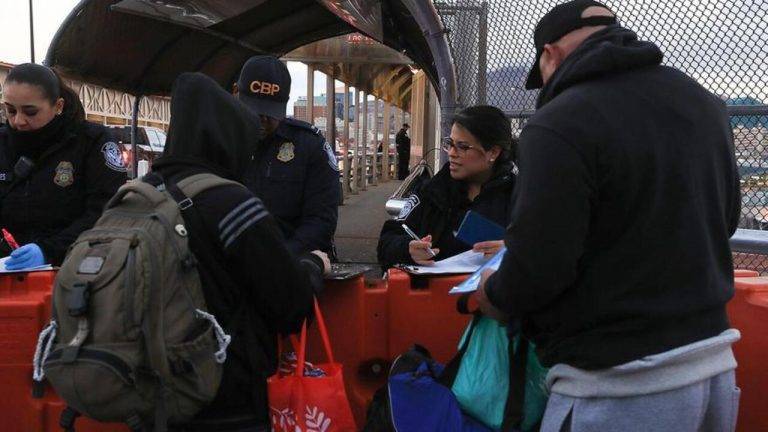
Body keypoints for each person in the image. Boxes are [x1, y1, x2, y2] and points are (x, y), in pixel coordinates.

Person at [475, 2, 742, 431]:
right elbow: (724, 220)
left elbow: (539, 270)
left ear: (551, 55)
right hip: (714, 365)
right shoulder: (704, 103)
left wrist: (495, 292)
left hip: (618, 385)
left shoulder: (558, 122)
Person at [152, 72, 328, 432]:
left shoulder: (142, 193)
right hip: (226, 392)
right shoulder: (230, 202)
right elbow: (291, 305)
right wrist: (309, 265)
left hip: (154, 387)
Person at [0, 63, 126, 268]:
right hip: (8, 272)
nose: (19, 121)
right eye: (11, 110)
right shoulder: (3, 143)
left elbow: (107, 210)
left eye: (30, 112)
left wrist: (49, 250)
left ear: (58, 106)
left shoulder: (91, 141)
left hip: (75, 269)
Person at [378, 105, 517, 269]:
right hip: (433, 291)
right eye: (450, 143)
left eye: (463, 147)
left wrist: (514, 252)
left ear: (493, 152)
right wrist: (408, 249)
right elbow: (388, 240)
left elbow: (546, 252)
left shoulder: (521, 198)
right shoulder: (432, 191)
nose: (451, 152)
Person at [235, 56, 340, 256]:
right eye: (255, 112)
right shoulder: (222, 141)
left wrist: (281, 261)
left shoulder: (309, 145)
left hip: (294, 263)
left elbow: (321, 221)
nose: (263, 120)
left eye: (270, 113)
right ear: (235, 95)